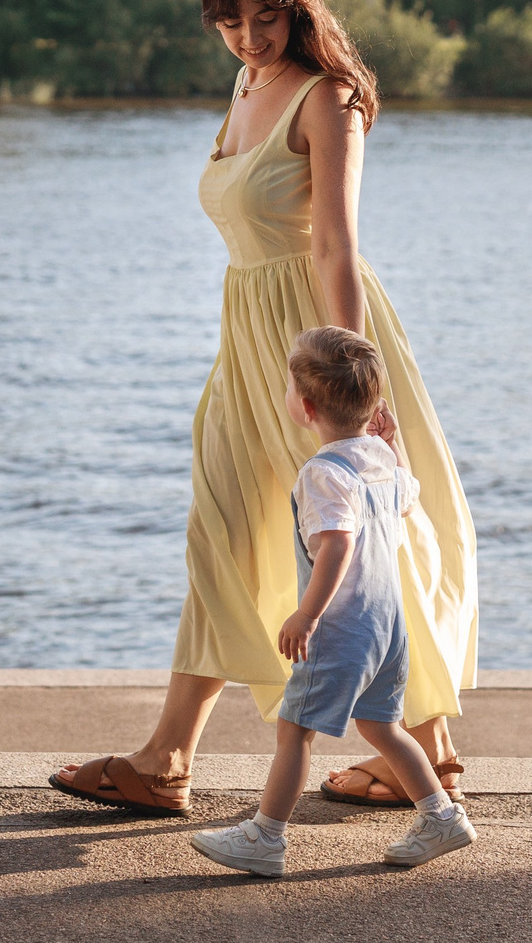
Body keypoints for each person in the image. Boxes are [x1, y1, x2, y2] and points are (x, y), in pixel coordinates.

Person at [53, 0, 477, 816]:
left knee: (366, 533)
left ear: (295, 3)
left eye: (265, 17)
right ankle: (168, 757)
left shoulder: (329, 98)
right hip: (246, 339)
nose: (250, 37)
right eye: (230, 21)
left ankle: (425, 750)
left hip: (316, 343)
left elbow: (334, 243)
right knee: (226, 528)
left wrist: (349, 383)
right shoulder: (247, 83)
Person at [190, 328, 476, 877]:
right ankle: (441, 815)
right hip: (388, 625)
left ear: (305, 406)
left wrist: (307, 613)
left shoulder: (322, 472)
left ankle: (265, 836)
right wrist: (391, 446)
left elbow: (338, 542)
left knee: (295, 728)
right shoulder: (383, 466)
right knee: (382, 725)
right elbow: (407, 501)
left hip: (343, 625)